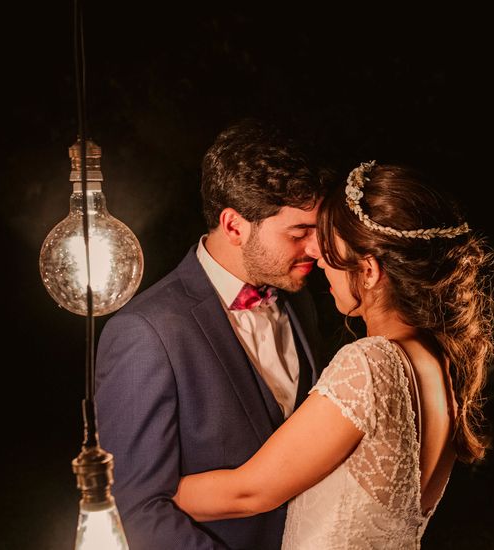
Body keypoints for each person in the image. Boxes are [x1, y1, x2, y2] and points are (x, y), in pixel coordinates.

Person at [173, 161, 494, 548]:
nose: (318, 259)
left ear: (369, 271)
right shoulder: (437, 363)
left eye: (329, 249)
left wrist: (137, 492)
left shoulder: (372, 365)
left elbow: (249, 492)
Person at [95, 119, 329, 549]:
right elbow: (136, 509)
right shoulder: (145, 333)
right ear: (235, 225)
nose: (316, 248)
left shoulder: (301, 301)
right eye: (300, 233)